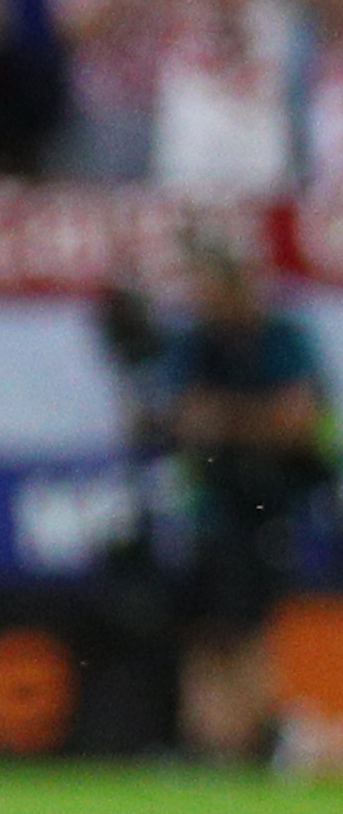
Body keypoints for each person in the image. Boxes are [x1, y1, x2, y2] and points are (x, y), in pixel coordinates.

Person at [152, 233, 329, 769]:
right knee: (205, 630)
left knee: (251, 628)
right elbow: (179, 416)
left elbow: (299, 422)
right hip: (211, 508)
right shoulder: (196, 343)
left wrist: (224, 420)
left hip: (269, 504)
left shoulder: (281, 338)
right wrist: (255, 420)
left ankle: (257, 739)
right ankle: (209, 741)